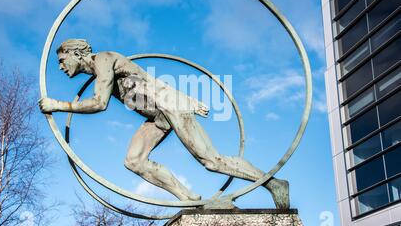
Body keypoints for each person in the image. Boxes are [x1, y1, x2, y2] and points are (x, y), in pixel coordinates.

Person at [39, 39, 289, 208]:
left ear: (76, 53)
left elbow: (99, 103)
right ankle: (188, 197)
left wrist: (58, 105)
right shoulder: (98, 71)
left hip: (169, 107)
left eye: (62, 61)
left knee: (212, 161)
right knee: (133, 161)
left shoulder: (104, 60)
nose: (61, 67)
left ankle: (273, 183)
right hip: (156, 117)